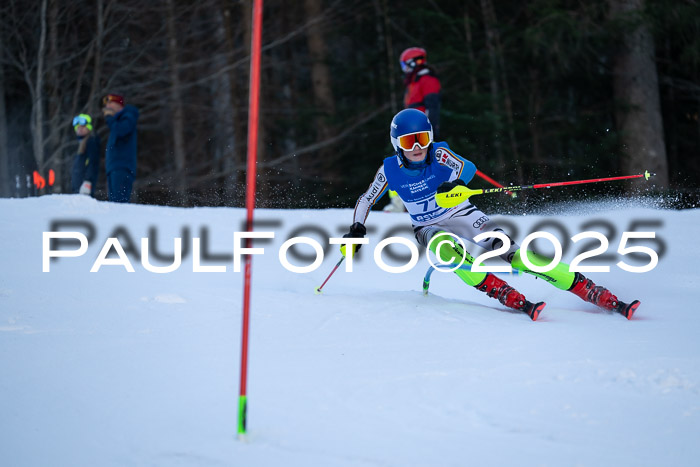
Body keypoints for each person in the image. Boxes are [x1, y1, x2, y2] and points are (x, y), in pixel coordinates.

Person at [341, 109, 640, 321]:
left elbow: (466, 169)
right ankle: (502, 291)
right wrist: (357, 227)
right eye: (409, 142)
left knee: (516, 254)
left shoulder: (439, 154)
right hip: (427, 226)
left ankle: (587, 288)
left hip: (462, 212)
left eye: (422, 138)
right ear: (397, 145)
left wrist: (452, 182)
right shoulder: (389, 170)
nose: (418, 147)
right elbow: (366, 199)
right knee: (447, 251)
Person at [384, 47, 442, 213]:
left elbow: (433, 107)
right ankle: (398, 204)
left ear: (412, 62)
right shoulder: (414, 80)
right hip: (408, 131)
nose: (404, 69)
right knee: (399, 162)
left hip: (420, 132)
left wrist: (432, 130)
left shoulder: (427, 79)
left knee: (424, 165)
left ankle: (433, 202)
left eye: (404, 65)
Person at [102, 93, 139, 203]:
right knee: (114, 204)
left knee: (119, 204)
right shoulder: (117, 121)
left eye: (110, 103)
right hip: (114, 167)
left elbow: (121, 130)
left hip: (122, 166)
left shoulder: (128, 116)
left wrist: (109, 119)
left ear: (119, 105)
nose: (107, 107)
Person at [71, 114, 101, 197]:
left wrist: (88, 181)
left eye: (82, 127)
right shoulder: (81, 143)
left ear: (88, 127)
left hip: (84, 185)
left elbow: (93, 162)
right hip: (78, 185)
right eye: (78, 127)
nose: (79, 129)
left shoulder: (91, 141)